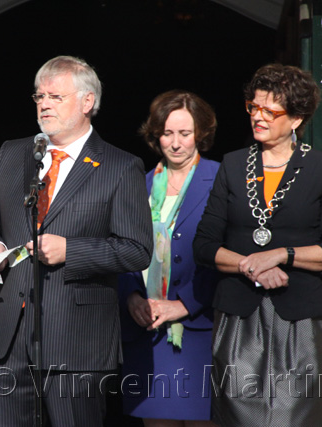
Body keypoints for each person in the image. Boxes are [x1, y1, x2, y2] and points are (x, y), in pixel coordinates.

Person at [0, 55, 153, 426]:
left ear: (87, 102)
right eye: (39, 96)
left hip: (76, 341)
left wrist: (72, 250)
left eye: (55, 96)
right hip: (7, 336)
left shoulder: (120, 166)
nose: (44, 104)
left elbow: (137, 249)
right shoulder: (14, 153)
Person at [193, 64, 322, 426]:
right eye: (254, 107)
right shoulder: (233, 165)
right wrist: (252, 266)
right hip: (238, 318)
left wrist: (282, 255)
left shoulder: (321, 168)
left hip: (301, 323)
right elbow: (204, 245)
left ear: (296, 119)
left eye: (270, 111)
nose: (258, 117)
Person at [118, 90, 219, 426]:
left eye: (185, 134)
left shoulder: (221, 180)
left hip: (200, 332)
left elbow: (227, 255)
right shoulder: (136, 184)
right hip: (148, 335)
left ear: (201, 134)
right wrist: (130, 295)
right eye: (167, 133)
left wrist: (184, 304)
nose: (175, 143)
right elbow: (118, 247)